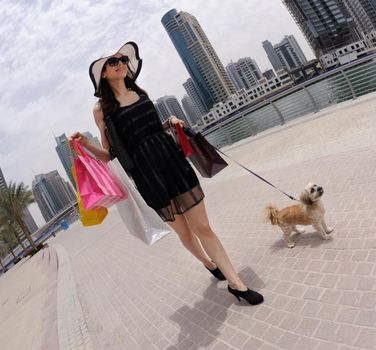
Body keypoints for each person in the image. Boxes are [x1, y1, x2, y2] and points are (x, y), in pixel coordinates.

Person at [70, 42, 263, 305]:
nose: (120, 64)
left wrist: (170, 121)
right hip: (147, 175)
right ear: (103, 74)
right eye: (113, 62)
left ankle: (236, 284)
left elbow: (152, 131)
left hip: (172, 162)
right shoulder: (102, 109)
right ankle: (209, 264)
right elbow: (110, 154)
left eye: (122, 60)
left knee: (203, 227)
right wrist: (86, 144)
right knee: (184, 233)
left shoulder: (143, 92)